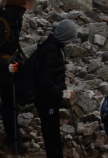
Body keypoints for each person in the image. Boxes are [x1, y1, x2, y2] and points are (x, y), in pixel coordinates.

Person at [0, 0, 35, 153]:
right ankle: (11, 140)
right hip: (3, 70)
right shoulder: (0, 24)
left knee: (16, 102)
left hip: (13, 66)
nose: (24, 12)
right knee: (9, 104)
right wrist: (5, 65)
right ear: (15, 8)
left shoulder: (15, 20)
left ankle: (15, 132)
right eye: (23, 9)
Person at [30, 19, 78, 158]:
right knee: (51, 132)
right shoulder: (51, 50)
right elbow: (44, 80)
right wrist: (60, 93)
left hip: (48, 99)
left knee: (52, 130)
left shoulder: (52, 46)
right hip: (46, 100)